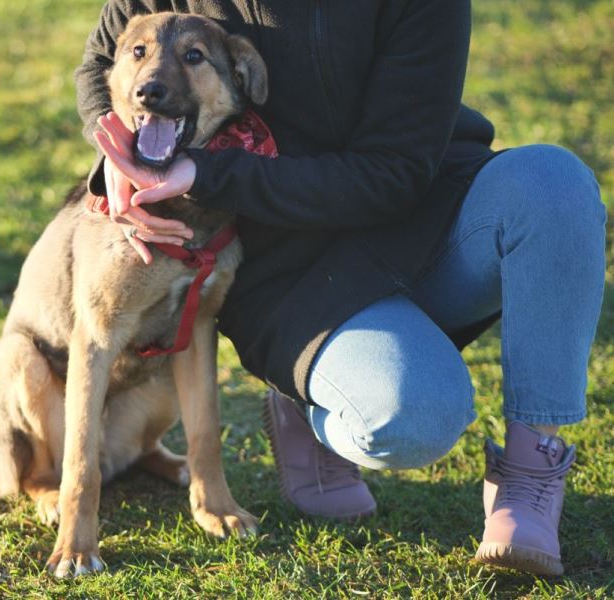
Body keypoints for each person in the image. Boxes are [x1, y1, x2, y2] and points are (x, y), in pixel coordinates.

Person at [75, 0, 607, 577]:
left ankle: (530, 473)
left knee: (552, 184)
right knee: (413, 420)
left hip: (422, 209)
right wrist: (120, 157)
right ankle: (307, 395)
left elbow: (396, 172)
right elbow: (104, 59)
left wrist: (210, 175)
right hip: (286, 266)